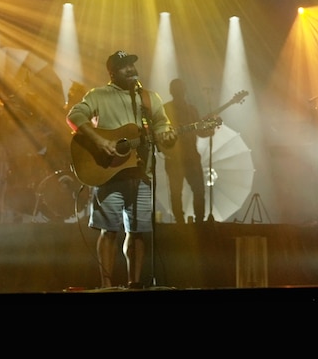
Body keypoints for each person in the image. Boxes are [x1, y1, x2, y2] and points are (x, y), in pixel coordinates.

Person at [66, 50, 177, 289]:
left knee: (137, 232)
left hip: (141, 172)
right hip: (108, 173)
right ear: (112, 72)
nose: (131, 69)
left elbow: (161, 123)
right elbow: (74, 115)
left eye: (132, 65)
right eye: (124, 66)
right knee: (109, 231)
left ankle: (133, 284)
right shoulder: (99, 95)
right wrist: (100, 141)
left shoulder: (148, 98)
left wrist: (167, 136)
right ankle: (106, 285)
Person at [163, 78, 215, 224]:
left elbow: (200, 131)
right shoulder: (165, 109)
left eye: (180, 89)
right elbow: (159, 131)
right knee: (176, 192)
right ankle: (180, 220)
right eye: (176, 89)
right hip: (174, 157)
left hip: (191, 157)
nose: (178, 92)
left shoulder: (191, 110)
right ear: (172, 91)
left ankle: (198, 221)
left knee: (198, 190)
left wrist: (209, 130)